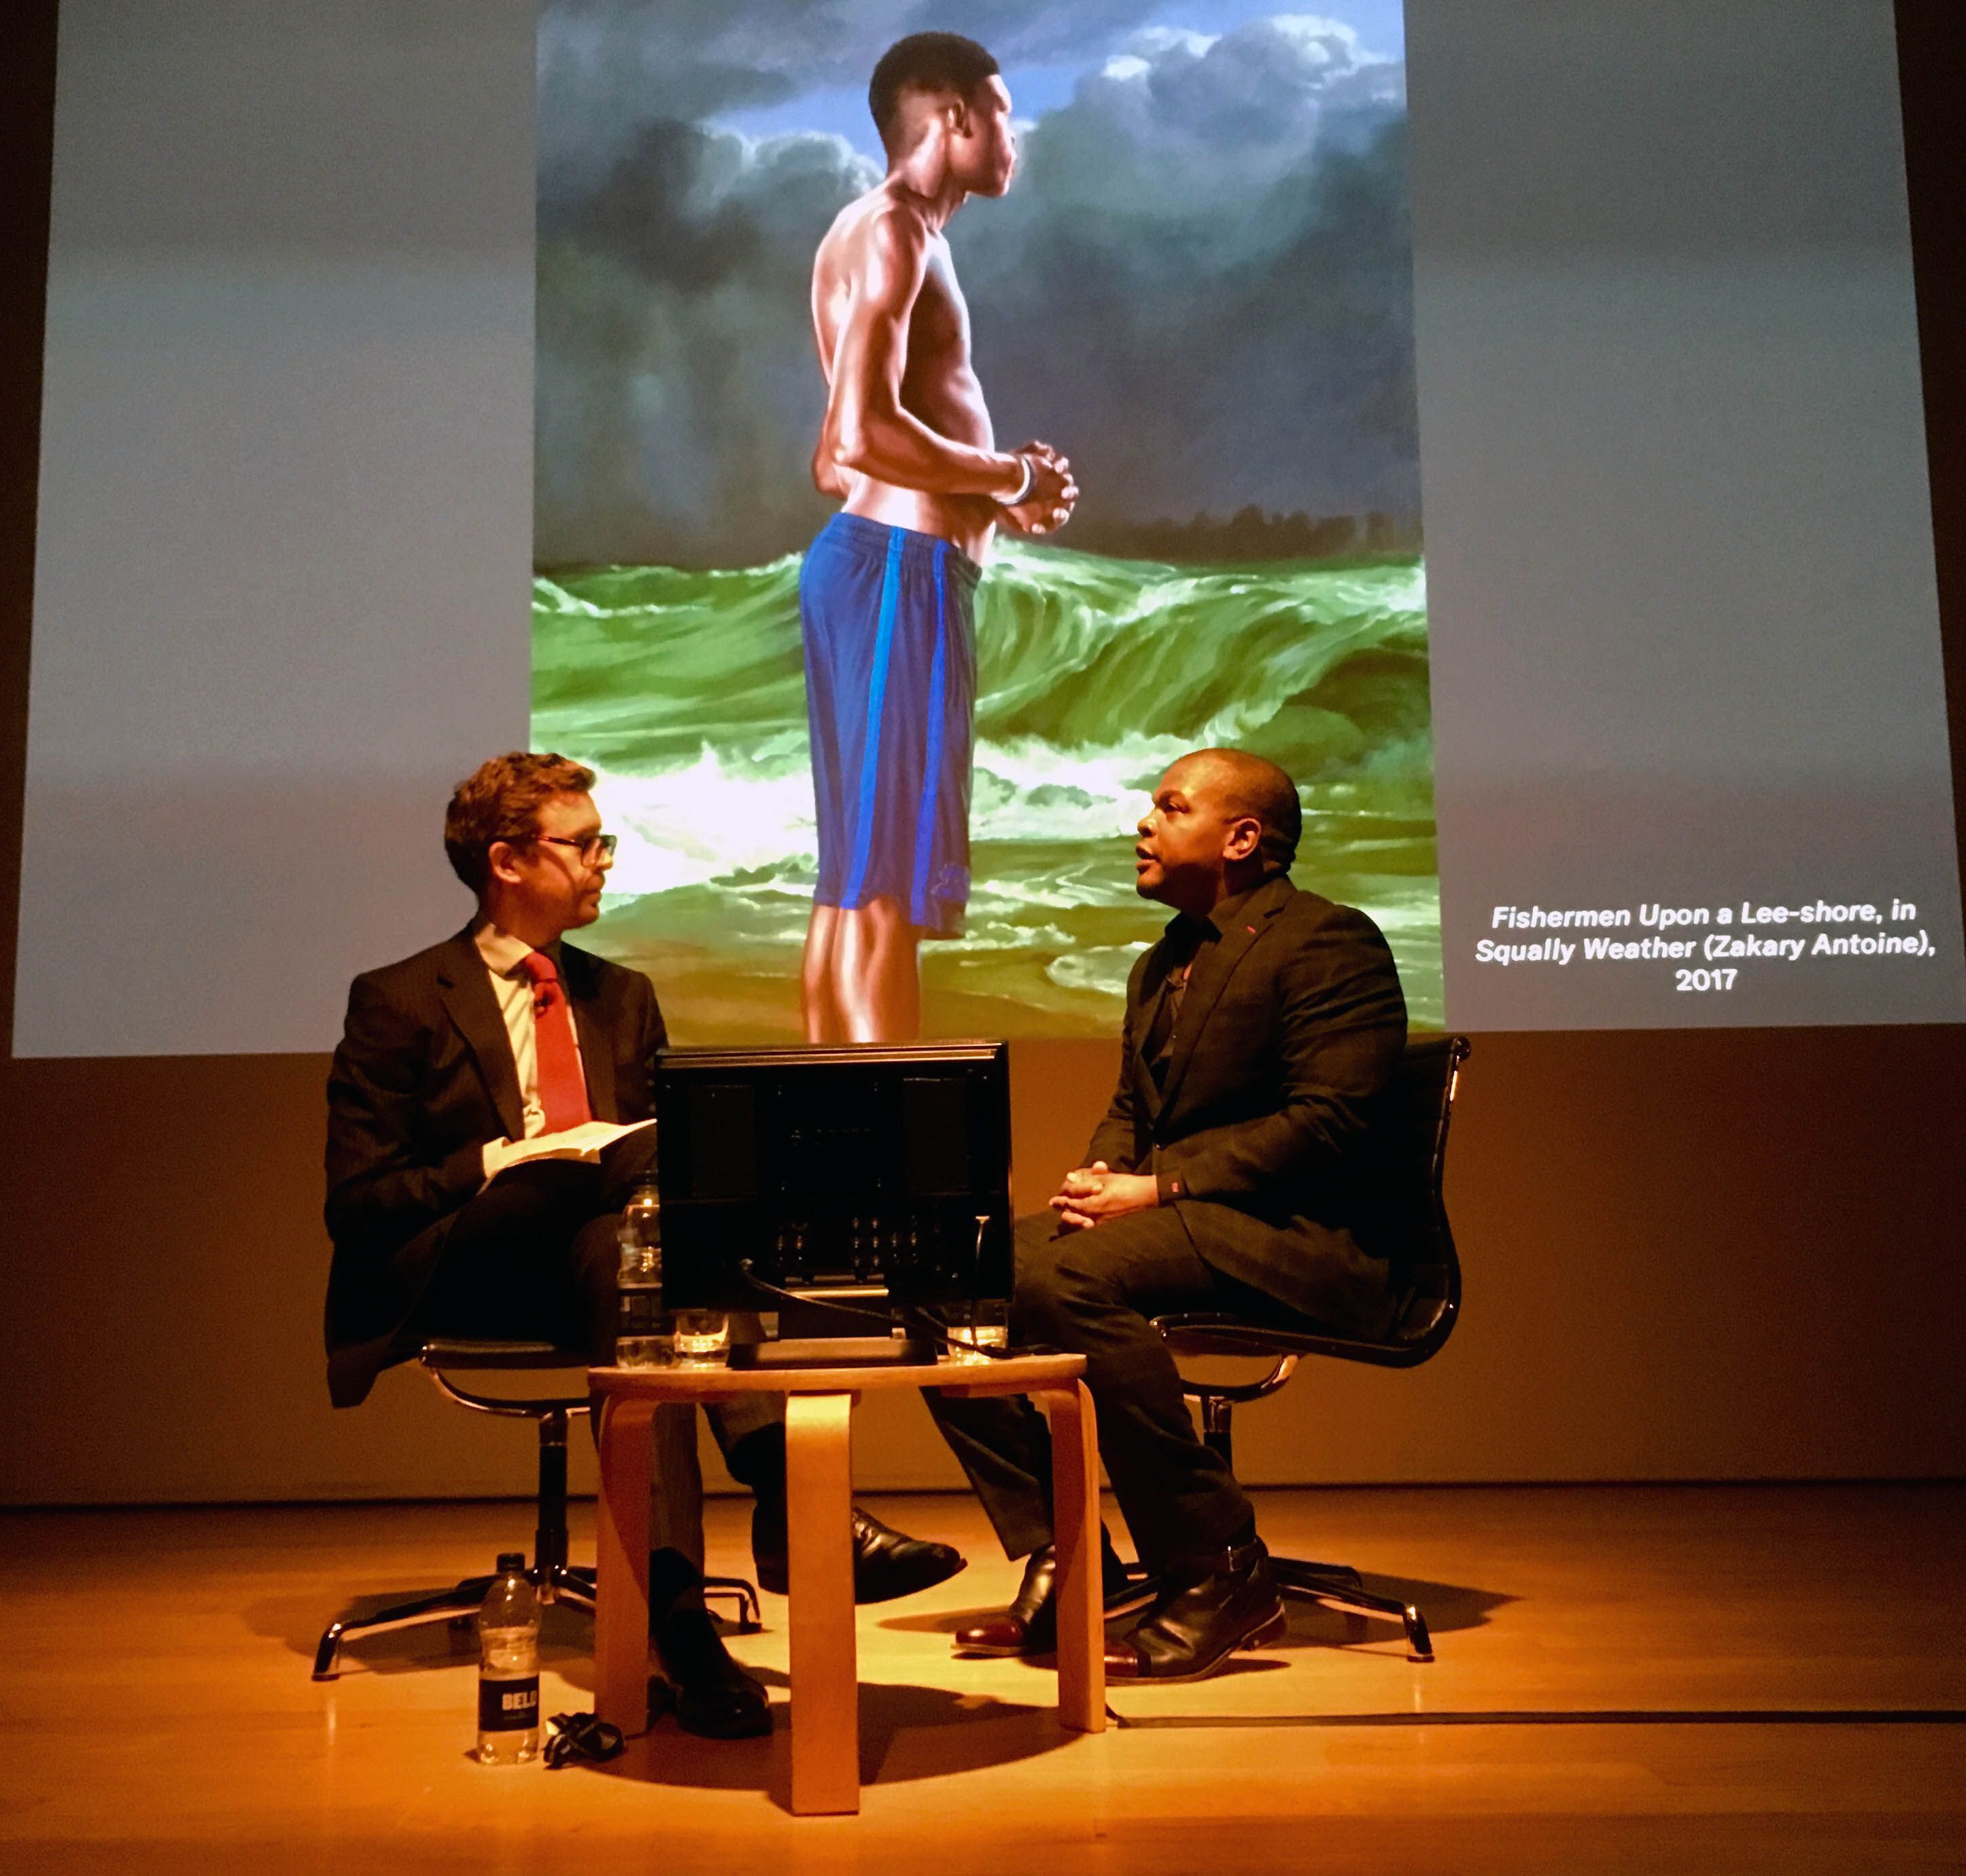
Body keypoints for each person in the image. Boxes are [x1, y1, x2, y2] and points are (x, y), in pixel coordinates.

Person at [324, 751, 963, 1736]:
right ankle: (793, 1506)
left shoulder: (622, 995)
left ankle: (679, 1621)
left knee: (646, 1260)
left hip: (601, 1275)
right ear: (507, 861)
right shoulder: (400, 998)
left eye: (602, 843)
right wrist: (495, 1162)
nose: (603, 862)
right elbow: (360, 1202)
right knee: (650, 1254)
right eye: (584, 845)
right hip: (465, 1268)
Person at [929, 749, 1409, 1682]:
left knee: (1064, 1278)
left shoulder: (1327, 940)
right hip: (1189, 1225)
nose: (1143, 824)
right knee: (942, 1273)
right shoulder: (1161, 964)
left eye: (1171, 807)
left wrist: (1160, 1188)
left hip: (1304, 1237)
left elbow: (1331, 1122)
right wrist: (1102, 1174)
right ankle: (1068, 1554)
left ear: (1242, 838)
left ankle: (1218, 1564)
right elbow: (1133, 1110)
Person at [799, 31, 1079, 1042]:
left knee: (855, 892)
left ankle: (835, 1136)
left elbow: (832, 464)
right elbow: (858, 438)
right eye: (1005, 113)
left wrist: (986, 498)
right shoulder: (895, 231)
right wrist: (1009, 477)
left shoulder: (869, 231)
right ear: (956, 117)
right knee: (881, 898)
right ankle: (886, 1138)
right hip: (897, 578)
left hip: (878, 568)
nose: (1016, 136)